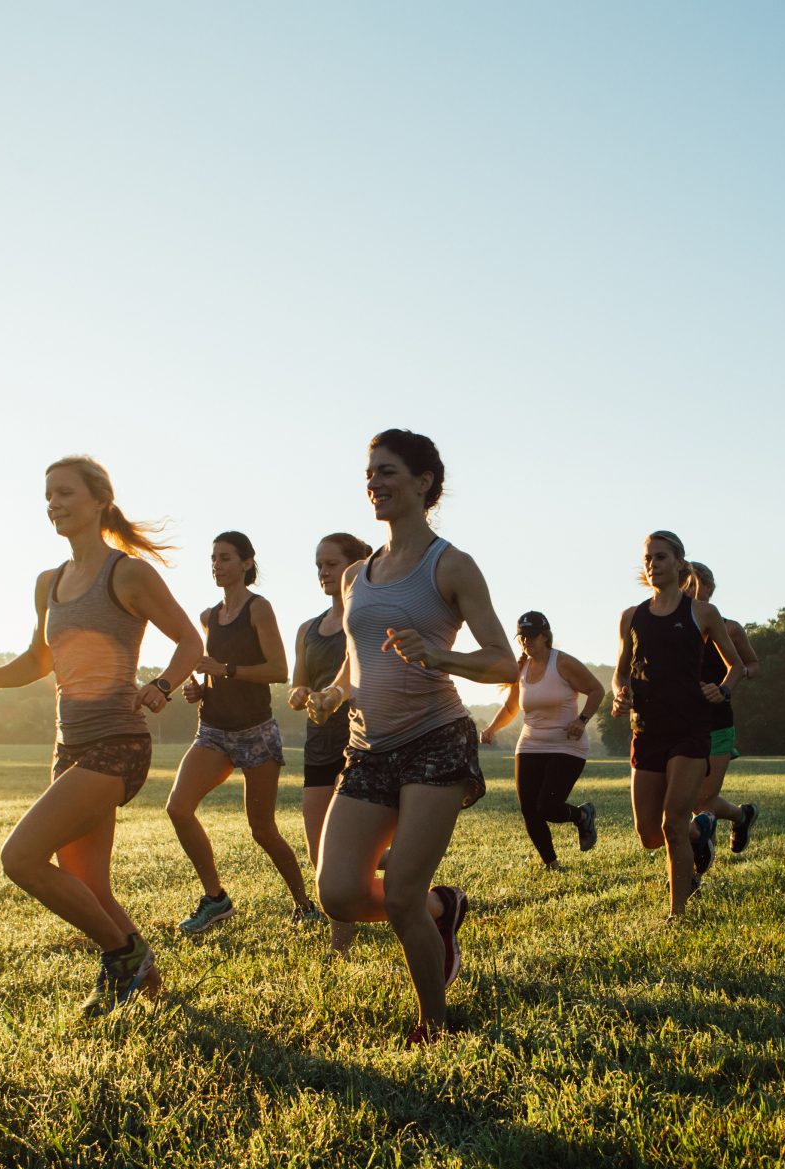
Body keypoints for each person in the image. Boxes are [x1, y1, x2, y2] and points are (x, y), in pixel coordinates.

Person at [0, 456, 201, 1015]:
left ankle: (123, 958)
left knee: (21, 858)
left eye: (64, 493)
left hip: (119, 743)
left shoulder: (127, 573)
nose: (53, 504)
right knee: (89, 885)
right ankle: (147, 982)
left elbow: (190, 641)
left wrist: (162, 686)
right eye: (48, 496)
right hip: (70, 746)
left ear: (99, 500)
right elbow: (40, 660)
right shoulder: (48, 583)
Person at [308, 429, 517, 1043]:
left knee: (399, 894)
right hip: (368, 747)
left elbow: (505, 663)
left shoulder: (450, 565)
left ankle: (434, 1025)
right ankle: (442, 910)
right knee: (338, 893)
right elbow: (356, 660)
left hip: (435, 739)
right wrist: (330, 695)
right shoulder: (355, 576)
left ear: (424, 483)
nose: (374, 482)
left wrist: (438, 657)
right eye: (370, 472)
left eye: (388, 471)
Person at [165, 532, 315, 933]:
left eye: (226, 558)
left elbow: (278, 670)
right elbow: (207, 673)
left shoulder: (258, 609)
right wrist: (198, 689)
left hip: (255, 733)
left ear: (247, 564)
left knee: (262, 829)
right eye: (213, 558)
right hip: (213, 729)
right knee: (177, 808)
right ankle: (216, 899)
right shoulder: (207, 617)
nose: (217, 564)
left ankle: (304, 904)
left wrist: (225, 670)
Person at [611, 531, 743, 919]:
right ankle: (701, 831)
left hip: (689, 730)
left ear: (679, 563)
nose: (652, 564)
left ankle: (677, 914)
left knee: (671, 824)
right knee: (649, 834)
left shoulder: (702, 613)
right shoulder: (631, 617)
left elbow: (735, 665)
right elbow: (620, 674)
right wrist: (620, 694)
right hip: (647, 729)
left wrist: (724, 690)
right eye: (648, 558)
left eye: (661, 557)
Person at [285, 532, 372, 951]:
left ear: (355, 566)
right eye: (318, 565)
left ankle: (341, 942)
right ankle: (349, 917)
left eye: (331, 564)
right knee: (319, 853)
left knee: (346, 849)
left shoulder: (367, 618)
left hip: (361, 743)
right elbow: (296, 684)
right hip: (318, 745)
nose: (323, 572)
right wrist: (301, 695)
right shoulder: (308, 629)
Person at [480, 610, 604, 868]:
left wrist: (581, 720)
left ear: (545, 636)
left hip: (566, 745)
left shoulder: (563, 663)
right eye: (522, 637)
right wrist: (492, 728)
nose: (527, 641)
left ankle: (582, 815)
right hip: (530, 744)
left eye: (532, 636)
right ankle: (552, 864)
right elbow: (511, 707)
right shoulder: (520, 669)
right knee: (529, 809)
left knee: (547, 806)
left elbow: (596, 689)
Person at [684, 562, 762, 871]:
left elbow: (752, 665)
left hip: (717, 723)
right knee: (686, 801)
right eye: (687, 584)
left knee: (702, 800)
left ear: (710, 590)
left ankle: (699, 847)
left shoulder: (729, 629)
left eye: (697, 585)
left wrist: (728, 684)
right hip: (681, 724)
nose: (692, 590)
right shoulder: (675, 629)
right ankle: (742, 816)